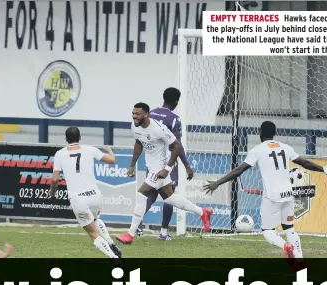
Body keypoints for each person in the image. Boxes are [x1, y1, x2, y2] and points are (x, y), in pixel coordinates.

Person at [203, 121, 327, 266]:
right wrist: (323, 169)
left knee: (267, 231)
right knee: (289, 228)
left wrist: (217, 183)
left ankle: (285, 246)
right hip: (288, 194)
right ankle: (299, 261)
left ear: (260, 132)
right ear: (274, 133)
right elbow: (304, 163)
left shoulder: (258, 150)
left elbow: (239, 170)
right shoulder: (285, 147)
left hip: (272, 195)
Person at [116, 103, 212, 245]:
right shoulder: (134, 126)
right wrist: (132, 165)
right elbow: (138, 143)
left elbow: (176, 146)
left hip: (160, 167)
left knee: (141, 194)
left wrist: (167, 168)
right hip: (152, 166)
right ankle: (203, 212)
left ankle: (130, 234)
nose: (135, 117)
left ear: (146, 114)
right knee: (170, 198)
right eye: (133, 113)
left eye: (138, 114)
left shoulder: (159, 129)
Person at [50, 127, 122, 262]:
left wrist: (52, 192)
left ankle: (114, 259)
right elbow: (112, 160)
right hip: (95, 195)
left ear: (66, 139)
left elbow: (54, 179)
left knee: (93, 234)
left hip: (78, 198)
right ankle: (110, 243)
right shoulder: (90, 149)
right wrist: (109, 151)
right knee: (95, 220)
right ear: (80, 138)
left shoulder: (59, 154)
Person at [136, 87, 194, 240]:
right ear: (176, 102)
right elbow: (177, 145)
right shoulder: (173, 118)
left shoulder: (151, 113)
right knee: (170, 195)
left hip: (152, 160)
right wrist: (187, 166)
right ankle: (163, 232)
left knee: (152, 193)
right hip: (168, 161)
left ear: (163, 97)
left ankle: (138, 223)